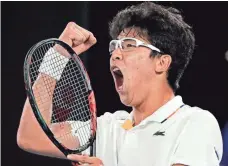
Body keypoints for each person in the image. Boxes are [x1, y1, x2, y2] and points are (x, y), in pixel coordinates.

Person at [17, 2, 223, 166]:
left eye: (129, 46)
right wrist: (58, 56)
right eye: (114, 46)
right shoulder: (105, 128)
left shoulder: (196, 123)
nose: (115, 54)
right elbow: (31, 136)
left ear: (162, 62)